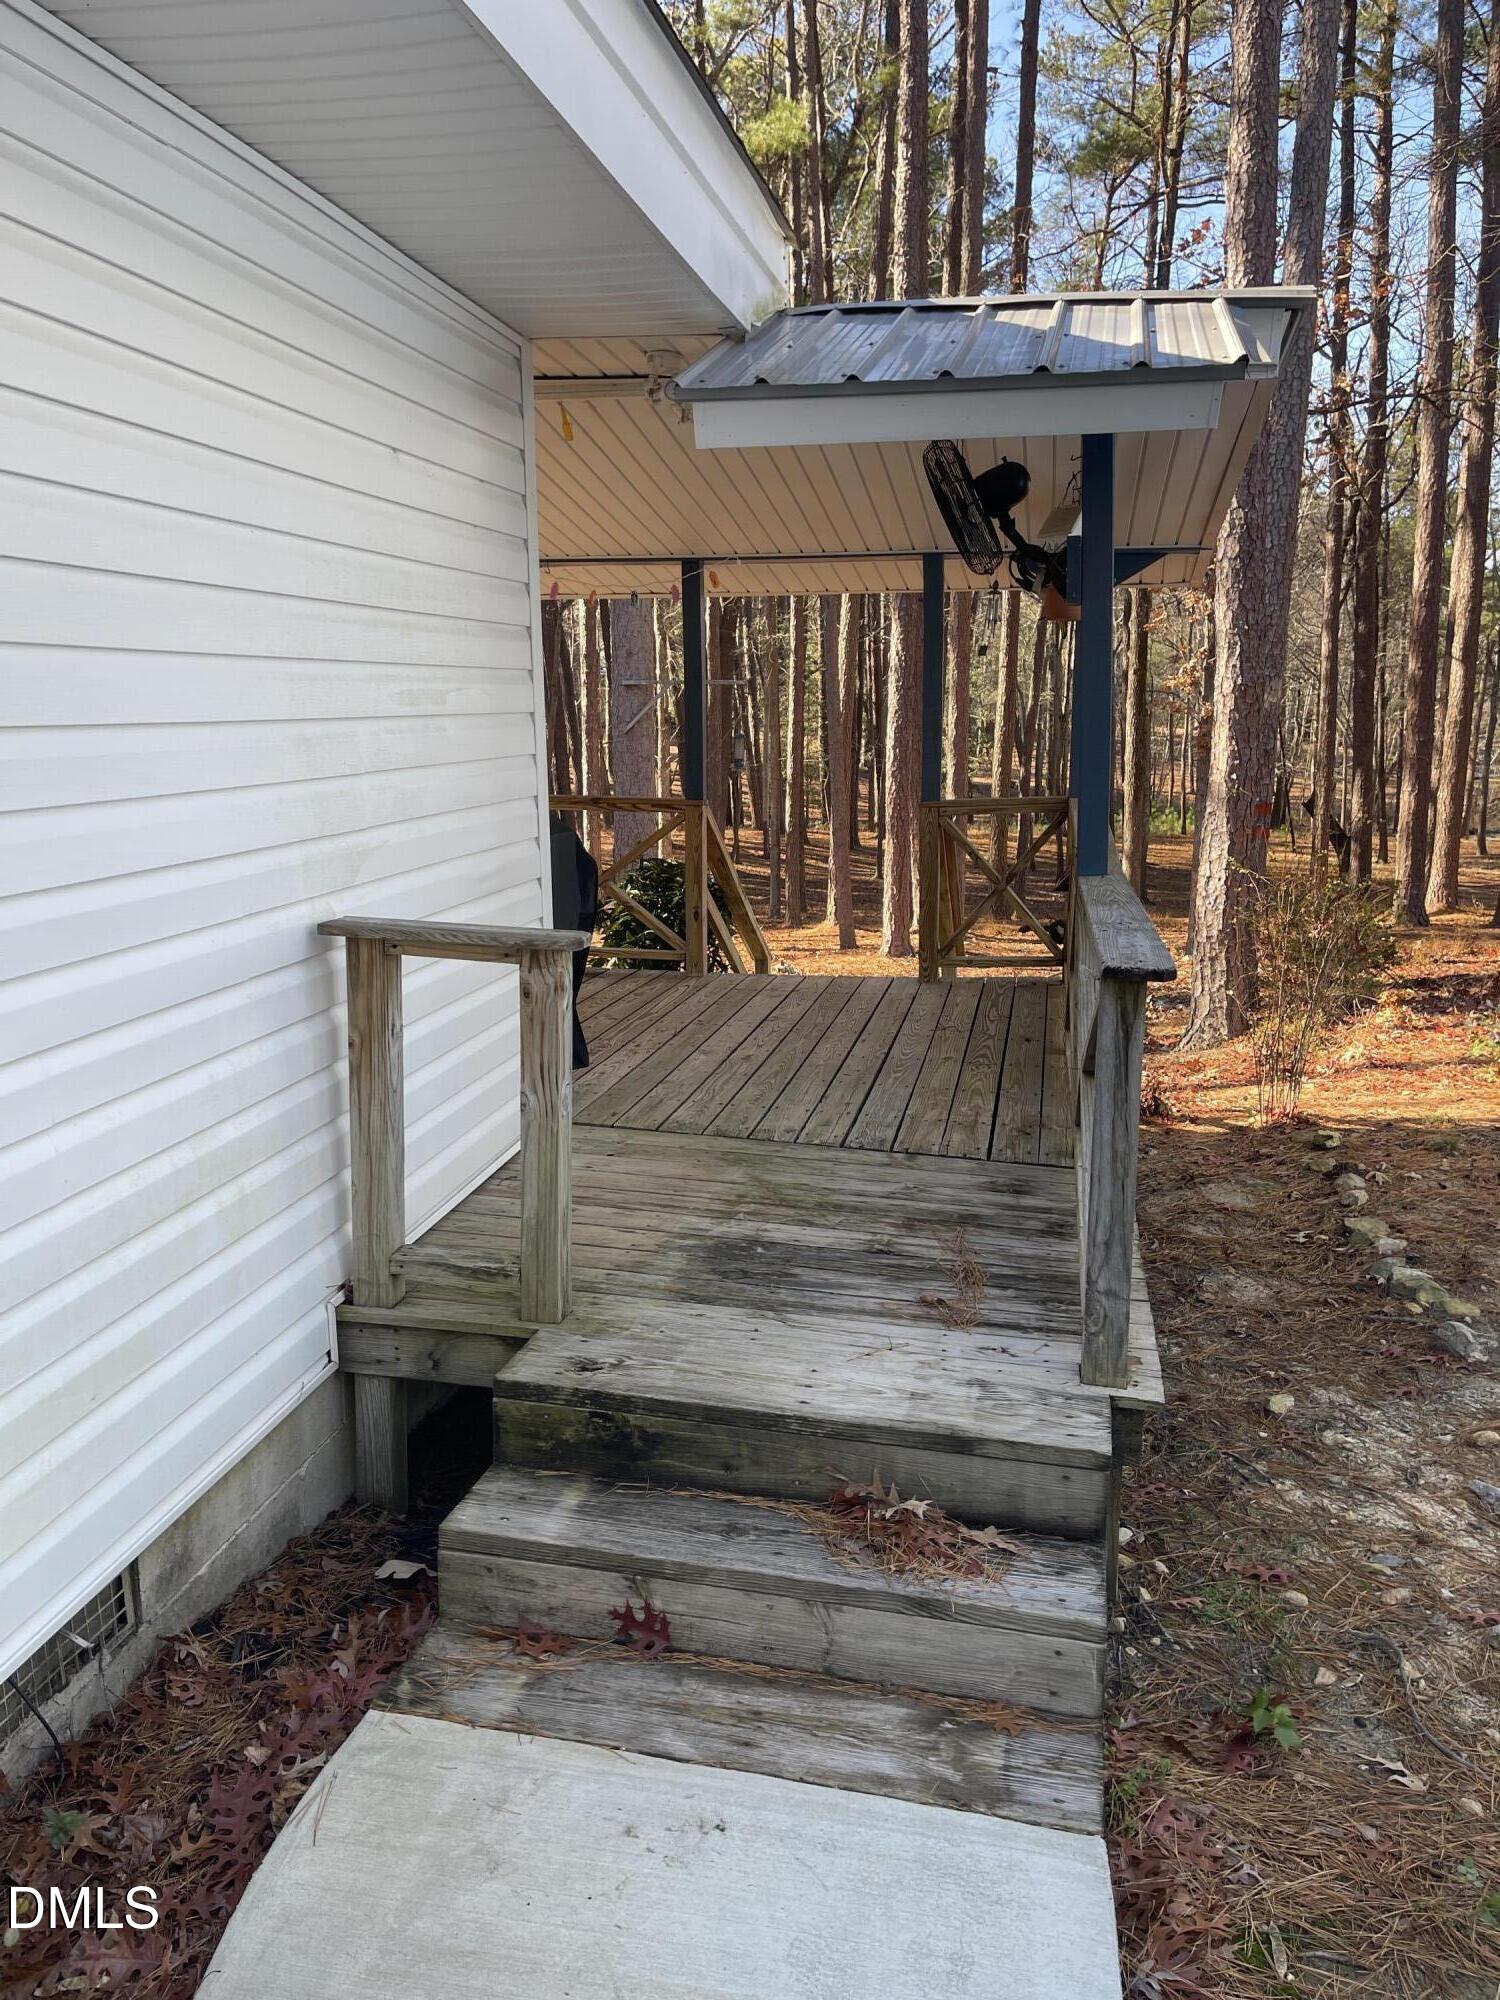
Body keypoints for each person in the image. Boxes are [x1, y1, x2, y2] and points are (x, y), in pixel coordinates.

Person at [548, 814, 599, 1068]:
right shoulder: (557, 833)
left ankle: (567, 1049)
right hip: (577, 896)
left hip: (574, 896)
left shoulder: (556, 836)